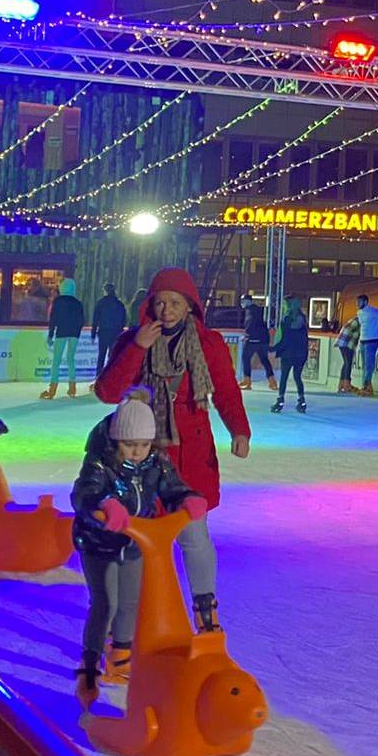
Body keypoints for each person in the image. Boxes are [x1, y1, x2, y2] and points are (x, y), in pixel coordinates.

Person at [93, 267, 250, 632]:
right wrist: (137, 348)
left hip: (191, 456)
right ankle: (132, 619)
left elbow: (226, 391)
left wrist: (239, 430)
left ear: (190, 306)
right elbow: (107, 392)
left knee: (194, 536)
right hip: (142, 457)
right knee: (138, 540)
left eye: (175, 303)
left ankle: (205, 610)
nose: (167, 310)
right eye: (160, 302)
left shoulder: (208, 344)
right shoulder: (132, 340)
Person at [70, 388, 208, 703]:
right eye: (129, 445)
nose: (137, 451)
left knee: (131, 603)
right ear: (117, 440)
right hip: (99, 543)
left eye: (144, 445)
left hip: (135, 541)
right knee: (106, 603)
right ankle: (90, 665)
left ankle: (120, 656)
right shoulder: (100, 462)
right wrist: (104, 504)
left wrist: (186, 498)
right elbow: (83, 492)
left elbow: (171, 486)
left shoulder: (156, 461)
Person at [42, 279, 86, 399]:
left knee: (56, 360)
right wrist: (77, 331)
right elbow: (81, 320)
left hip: (61, 332)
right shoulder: (77, 303)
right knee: (70, 359)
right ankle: (72, 388)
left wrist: (50, 335)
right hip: (74, 334)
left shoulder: (58, 301)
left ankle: (52, 389)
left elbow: (53, 319)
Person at [269, 296, 311, 413]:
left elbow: (285, 340)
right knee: (297, 377)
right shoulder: (303, 320)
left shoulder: (286, 319)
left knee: (284, 377)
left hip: (288, 354)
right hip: (301, 354)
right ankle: (302, 400)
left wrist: (273, 348)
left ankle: (280, 401)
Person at [237, 295, 276, 391]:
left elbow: (250, 324)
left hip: (253, 340)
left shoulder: (250, 311)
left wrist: (247, 336)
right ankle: (272, 382)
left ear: (247, 301)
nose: (241, 303)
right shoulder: (258, 309)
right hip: (263, 340)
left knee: (245, 358)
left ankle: (247, 381)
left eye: (243, 301)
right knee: (264, 359)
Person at [355, 294, 378, 395]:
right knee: (365, 365)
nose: (357, 303)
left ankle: (366, 386)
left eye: (359, 301)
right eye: (357, 301)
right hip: (363, 340)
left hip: (372, 340)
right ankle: (367, 386)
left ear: (366, 302)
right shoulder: (359, 312)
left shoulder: (372, 311)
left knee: (369, 365)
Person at [91, 283, 128, 374]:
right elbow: (124, 319)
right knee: (112, 355)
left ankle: (99, 374)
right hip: (116, 332)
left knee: (101, 354)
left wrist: (93, 334)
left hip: (104, 331)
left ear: (105, 291)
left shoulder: (101, 303)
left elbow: (95, 319)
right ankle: (111, 373)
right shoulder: (119, 304)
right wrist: (120, 329)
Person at [335, 314, 361, 394]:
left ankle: (341, 385)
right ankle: (346, 385)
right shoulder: (359, 321)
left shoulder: (355, 319)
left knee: (346, 363)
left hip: (342, 342)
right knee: (348, 363)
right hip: (347, 343)